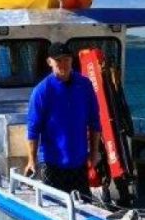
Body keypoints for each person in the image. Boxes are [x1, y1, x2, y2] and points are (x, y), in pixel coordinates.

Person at [24, 43, 101, 194]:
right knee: (55, 210)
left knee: (82, 209)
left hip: (79, 164)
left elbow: (95, 122)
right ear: (50, 62)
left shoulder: (85, 85)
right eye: (58, 60)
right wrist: (31, 160)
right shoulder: (42, 91)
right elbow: (33, 130)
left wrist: (93, 153)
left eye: (66, 59)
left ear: (72, 60)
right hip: (52, 164)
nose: (63, 64)